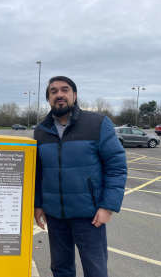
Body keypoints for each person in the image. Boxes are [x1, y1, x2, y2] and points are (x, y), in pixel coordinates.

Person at [33, 76, 127, 277]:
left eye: (65, 90)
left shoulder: (98, 123)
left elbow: (116, 167)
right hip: (55, 216)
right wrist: (38, 203)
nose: (59, 95)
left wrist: (107, 206)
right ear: (48, 98)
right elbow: (38, 172)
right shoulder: (41, 131)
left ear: (74, 95)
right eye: (53, 91)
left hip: (89, 216)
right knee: (60, 268)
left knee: (95, 270)